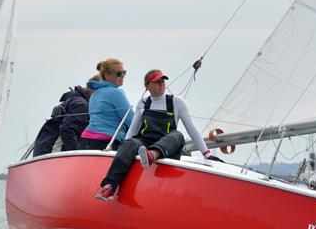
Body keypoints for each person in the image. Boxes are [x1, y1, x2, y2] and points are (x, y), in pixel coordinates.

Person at [95, 69, 221, 201]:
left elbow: (191, 128)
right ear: (147, 86)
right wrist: (122, 151)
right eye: (157, 82)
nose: (161, 84)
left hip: (167, 147)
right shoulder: (143, 103)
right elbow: (132, 130)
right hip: (144, 143)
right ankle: (109, 186)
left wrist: (207, 154)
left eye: (162, 81)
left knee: (178, 134)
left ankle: (152, 155)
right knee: (131, 142)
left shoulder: (176, 102)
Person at [32, 77, 99, 157]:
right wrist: (77, 155)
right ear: (93, 89)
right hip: (53, 153)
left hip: (45, 151)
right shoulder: (81, 105)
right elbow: (67, 130)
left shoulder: (75, 101)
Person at [78, 58, 133, 151]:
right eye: (119, 73)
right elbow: (131, 120)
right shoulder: (116, 93)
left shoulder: (95, 93)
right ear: (107, 75)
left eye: (124, 72)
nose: (123, 76)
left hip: (85, 140)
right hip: (106, 142)